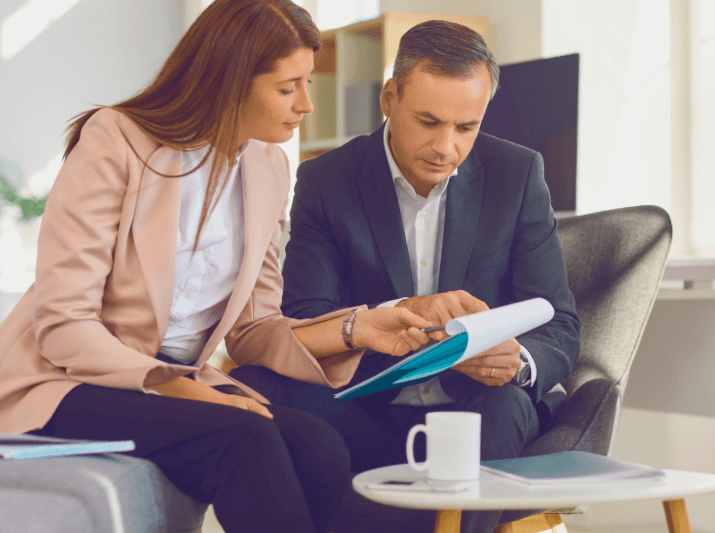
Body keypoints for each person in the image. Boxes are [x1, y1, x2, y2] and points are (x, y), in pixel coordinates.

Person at [0, 2, 435, 533]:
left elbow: (254, 330)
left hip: (176, 378)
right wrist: (178, 387)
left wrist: (357, 328)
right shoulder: (114, 140)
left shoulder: (269, 167)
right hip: (64, 378)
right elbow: (65, 326)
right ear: (229, 80)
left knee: (319, 443)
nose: (306, 105)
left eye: (307, 83)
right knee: (243, 439)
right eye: (287, 87)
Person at [229, 20, 581, 533]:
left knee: (504, 404)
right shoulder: (327, 181)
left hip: (481, 409)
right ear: (389, 98)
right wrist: (396, 321)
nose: (446, 147)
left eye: (466, 128)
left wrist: (515, 360)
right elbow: (304, 318)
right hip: (370, 406)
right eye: (429, 121)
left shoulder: (517, 174)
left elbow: (561, 324)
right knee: (251, 387)